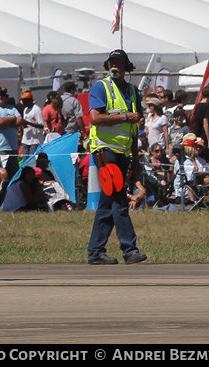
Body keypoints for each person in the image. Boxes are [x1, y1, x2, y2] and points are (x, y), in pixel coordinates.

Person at [86, 49, 146, 265]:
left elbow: (135, 128)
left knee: (109, 200)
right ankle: (129, 249)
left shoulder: (132, 91)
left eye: (119, 62)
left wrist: (136, 158)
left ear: (126, 66)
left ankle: (96, 251)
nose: (115, 66)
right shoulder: (101, 87)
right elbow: (94, 118)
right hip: (104, 150)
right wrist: (125, 116)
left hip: (123, 152)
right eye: (112, 62)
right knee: (118, 199)